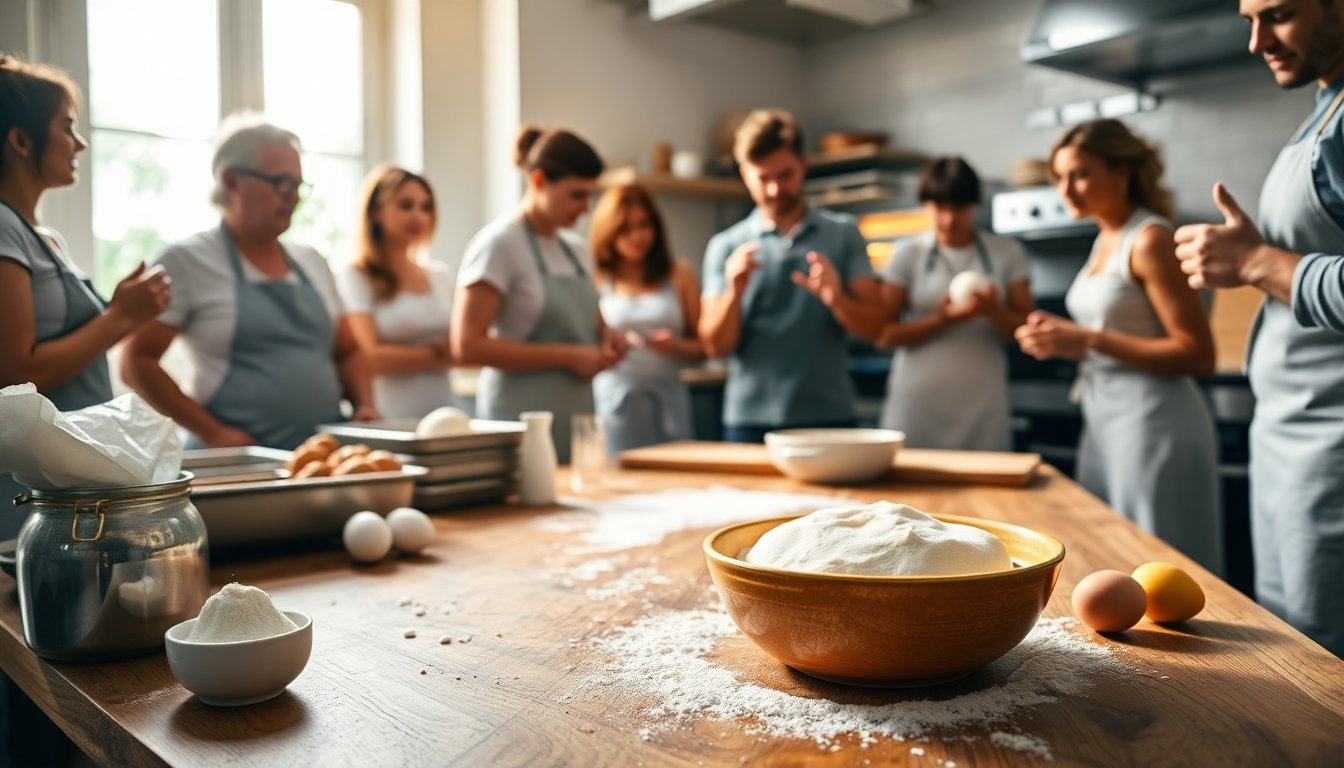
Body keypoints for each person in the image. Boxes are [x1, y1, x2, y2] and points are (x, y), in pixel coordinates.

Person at [1174, 0, 1344, 656]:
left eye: (1277, 14)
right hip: (1288, 431)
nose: (1255, 41)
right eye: (1249, 18)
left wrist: (1256, 260)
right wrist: (1247, 263)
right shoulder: (1321, 114)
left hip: (1332, 442)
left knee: (1322, 661)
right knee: (1293, 640)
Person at [1016, 119, 1223, 576]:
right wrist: (1063, 339)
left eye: (1081, 174)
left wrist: (1087, 338)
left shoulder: (1149, 238)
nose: (1067, 189)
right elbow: (1115, 332)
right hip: (1105, 417)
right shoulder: (1104, 238)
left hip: (1154, 423)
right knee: (1116, 557)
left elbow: (1197, 353)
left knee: (1160, 567)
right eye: (1059, 177)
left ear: (1122, 170)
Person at [121, 114, 377, 450]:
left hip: (322, 457)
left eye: (298, 185)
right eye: (280, 183)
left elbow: (348, 350)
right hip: (236, 461)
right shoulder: (186, 261)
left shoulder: (312, 261)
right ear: (231, 182)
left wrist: (365, 405)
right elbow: (136, 362)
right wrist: (215, 434)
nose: (293, 197)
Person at [0, 55, 169, 536]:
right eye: (66, 127)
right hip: (31, 493)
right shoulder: (3, 226)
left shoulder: (45, 237)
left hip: (67, 490)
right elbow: (16, 375)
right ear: (20, 140)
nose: (80, 143)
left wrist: (123, 311)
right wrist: (119, 316)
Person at [699, 109, 885, 443]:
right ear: (744, 175)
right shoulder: (725, 246)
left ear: (804, 165)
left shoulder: (843, 235)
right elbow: (714, 347)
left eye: (785, 175)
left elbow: (875, 327)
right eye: (762, 178)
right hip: (749, 421)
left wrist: (835, 297)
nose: (774, 189)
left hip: (829, 417)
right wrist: (733, 292)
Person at [451, 126, 625, 463]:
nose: (586, 208)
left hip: (576, 417)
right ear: (539, 181)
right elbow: (466, 346)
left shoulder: (577, 251)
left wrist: (611, 340)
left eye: (590, 195)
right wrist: (568, 356)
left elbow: (594, 325)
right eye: (576, 195)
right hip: (517, 420)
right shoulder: (499, 245)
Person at [877, 157, 1033, 451]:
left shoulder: (1007, 253)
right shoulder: (906, 255)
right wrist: (941, 321)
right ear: (926, 204)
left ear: (974, 205)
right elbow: (884, 335)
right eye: (939, 207)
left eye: (958, 208)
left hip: (982, 402)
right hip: (917, 404)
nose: (949, 219)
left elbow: (1026, 330)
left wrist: (995, 311)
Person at [589, 183, 704, 453]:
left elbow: (704, 347)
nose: (637, 236)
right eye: (625, 229)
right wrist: (610, 347)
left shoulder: (679, 273)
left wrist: (676, 347)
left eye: (644, 225)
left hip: (669, 401)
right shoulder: (596, 279)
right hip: (616, 404)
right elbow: (587, 345)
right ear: (609, 232)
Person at [336, 165, 456, 420]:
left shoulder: (440, 276)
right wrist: (436, 354)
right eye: (405, 205)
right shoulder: (355, 276)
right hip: (388, 415)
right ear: (376, 211)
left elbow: (467, 351)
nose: (417, 216)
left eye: (425, 207)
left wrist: (408, 357)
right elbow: (370, 358)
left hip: (444, 412)